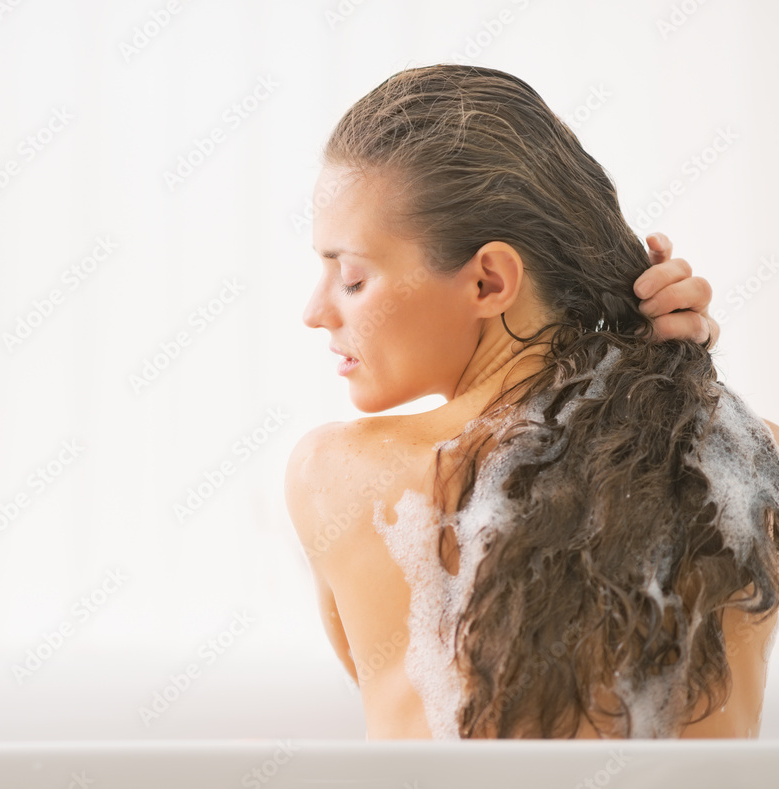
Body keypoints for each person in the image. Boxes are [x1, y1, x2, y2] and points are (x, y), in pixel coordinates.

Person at [285, 64, 779, 740]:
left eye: (350, 277)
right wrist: (679, 371)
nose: (315, 311)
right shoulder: (754, 463)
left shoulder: (339, 479)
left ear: (490, 280)